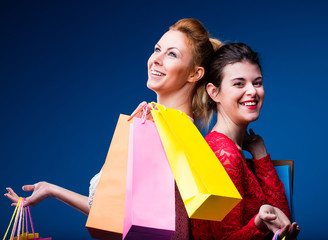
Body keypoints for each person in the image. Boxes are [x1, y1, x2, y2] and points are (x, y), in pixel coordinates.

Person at [5, 18, 222, 240]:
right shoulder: (171, 126)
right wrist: (52, 189)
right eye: (157, 49)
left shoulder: (168, 129)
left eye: (172, 54)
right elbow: (113, 212)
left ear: (195, 74)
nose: (156, 59)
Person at [191, 43, 300, 240]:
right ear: (214, 92)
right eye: (239, 84)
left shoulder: (234, 149)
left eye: (257, 82)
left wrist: (260, 154)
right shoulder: (224, 155)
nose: (252, 91)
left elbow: (284, 223)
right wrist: (258, 223)